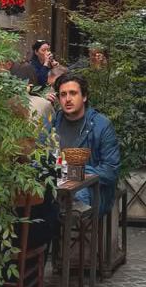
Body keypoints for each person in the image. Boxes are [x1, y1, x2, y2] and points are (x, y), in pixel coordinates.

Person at [51, 73, 120, 216]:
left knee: (78, 193)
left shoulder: (102, 125)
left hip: (91, 193)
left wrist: (75, 172)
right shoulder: (52, 123)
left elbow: (110, 171)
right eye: (63, 95)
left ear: (84, 97)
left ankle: (67, 228)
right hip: (55, 187)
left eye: (73, 93)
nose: (68, 99)